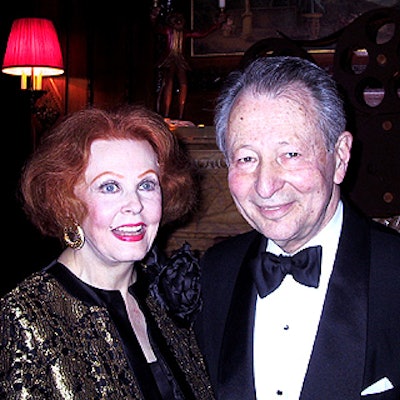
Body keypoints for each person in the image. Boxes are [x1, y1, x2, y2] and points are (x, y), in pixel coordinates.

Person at [194, 56, 400, 399]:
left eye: (290, 154)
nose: (265, 186)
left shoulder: (394, 273)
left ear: (340, 156)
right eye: (246, 158)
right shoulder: (215, 272)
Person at [0, 105, 215, 399]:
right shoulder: (26, 314)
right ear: (67, 202)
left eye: (147, 184)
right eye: (110, 186)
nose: (135, 205)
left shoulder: (165, 296)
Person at [152, 9, 224, 120]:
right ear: (171, 22)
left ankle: (180, 115)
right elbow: (156, 29)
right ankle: (166, 113)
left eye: (181, 20)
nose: (179, 22)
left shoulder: (184, 33)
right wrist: (154, 18)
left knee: (184, 84)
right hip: (169, 58)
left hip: (180, 59)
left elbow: (201, 33)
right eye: (176, 20)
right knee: (169, 83)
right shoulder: (169, 31)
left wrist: (216, 25)